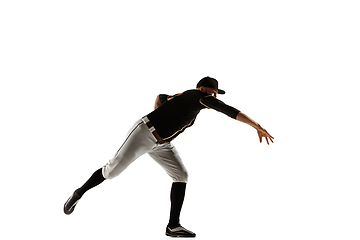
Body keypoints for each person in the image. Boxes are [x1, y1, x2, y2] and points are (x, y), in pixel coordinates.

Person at [63, 76, 274, 238]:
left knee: (181, 175)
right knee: (111, 171)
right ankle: (78, 193)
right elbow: (229, 111)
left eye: (217, 93)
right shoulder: (197, 96)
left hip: (161, 144)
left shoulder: (188, 99)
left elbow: (161, 97)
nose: (215, 96)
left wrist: (162, 113)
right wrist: (258, 126)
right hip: (144, 132)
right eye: (213, 91)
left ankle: (173, 225)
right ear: (202, 88)